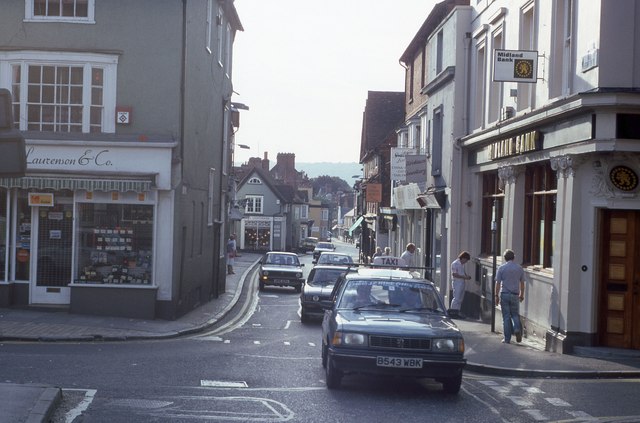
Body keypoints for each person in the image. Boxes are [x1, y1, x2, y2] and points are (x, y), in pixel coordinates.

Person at [494, 249, 526, 344]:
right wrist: (521, 294)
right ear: (514, 257)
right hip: (515, 294)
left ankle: (507, 339)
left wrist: (496, 295)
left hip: (505, 294)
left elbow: (498, 283)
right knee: (515, 314)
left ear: (504, 258)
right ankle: (516, 328)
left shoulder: (501, 268)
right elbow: (522, 283)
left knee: (506, 317)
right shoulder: (519, 268)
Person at [450, 251, 472, 318]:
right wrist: (464, 277)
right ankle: (453, 311)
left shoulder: (461, 264)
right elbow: (454, 274)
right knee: (456, 297)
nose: (466, 262)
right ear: (463, 258)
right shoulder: (455, 263)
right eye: (466, 260)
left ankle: (457, 311)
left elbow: (462, 272)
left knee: (460, 298)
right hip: (457, 282)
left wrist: (466, 276)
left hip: (461, 282)